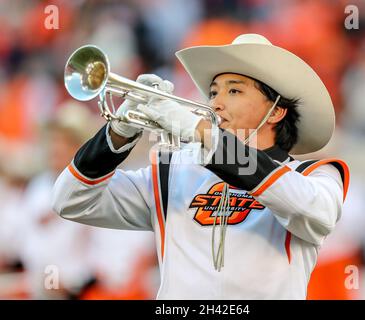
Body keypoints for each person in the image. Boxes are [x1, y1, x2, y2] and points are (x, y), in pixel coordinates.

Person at [52, 34, 349, 299]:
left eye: (234, 91)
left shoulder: (313, 175)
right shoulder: (172, 172)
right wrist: (120, 129)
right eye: (213, 92)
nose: (217, 103)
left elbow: (309, 210)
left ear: (276, 111)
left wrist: (203, 133)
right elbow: (70, 200)